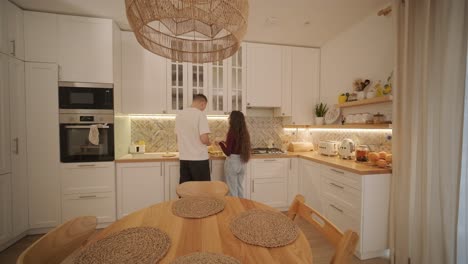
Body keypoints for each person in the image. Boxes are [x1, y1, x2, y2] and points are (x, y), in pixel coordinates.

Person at [175, 94, 211, 183]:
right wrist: (209, 142)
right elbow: (204, 139)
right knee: (202, 190)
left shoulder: (179, 115)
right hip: (199, 160)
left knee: (186, 190)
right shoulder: (200, 115)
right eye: (205, 106)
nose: (204, 109)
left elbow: (177, 137)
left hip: (184, 159)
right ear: (202, 103)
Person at [218, 111, 251, 197]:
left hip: (232, 162)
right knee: (240, 187)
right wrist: (225, 142)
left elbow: (228, 152)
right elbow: (236, 145)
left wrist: (220, 143)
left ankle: (234, 209)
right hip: (242, 162)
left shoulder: (232, 132)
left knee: (232, 190)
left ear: (233, 120)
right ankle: (241, 208)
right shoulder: (244, 132)